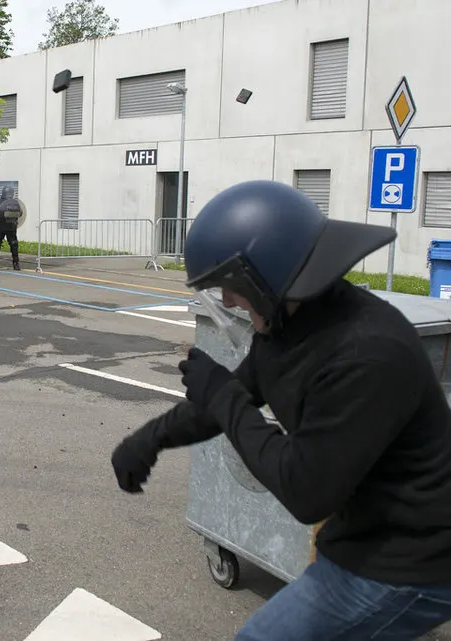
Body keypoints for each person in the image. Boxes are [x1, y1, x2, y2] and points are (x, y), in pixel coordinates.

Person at [110, 179, 451, 640]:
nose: (225, 300)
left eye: (229, 287)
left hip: (414, 558)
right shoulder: (290, 328)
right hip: (365, 532)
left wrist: (223, 396)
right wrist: (149, 439)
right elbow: (232, 397)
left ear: (265, 277)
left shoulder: (367, 354)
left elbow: (305, 489)